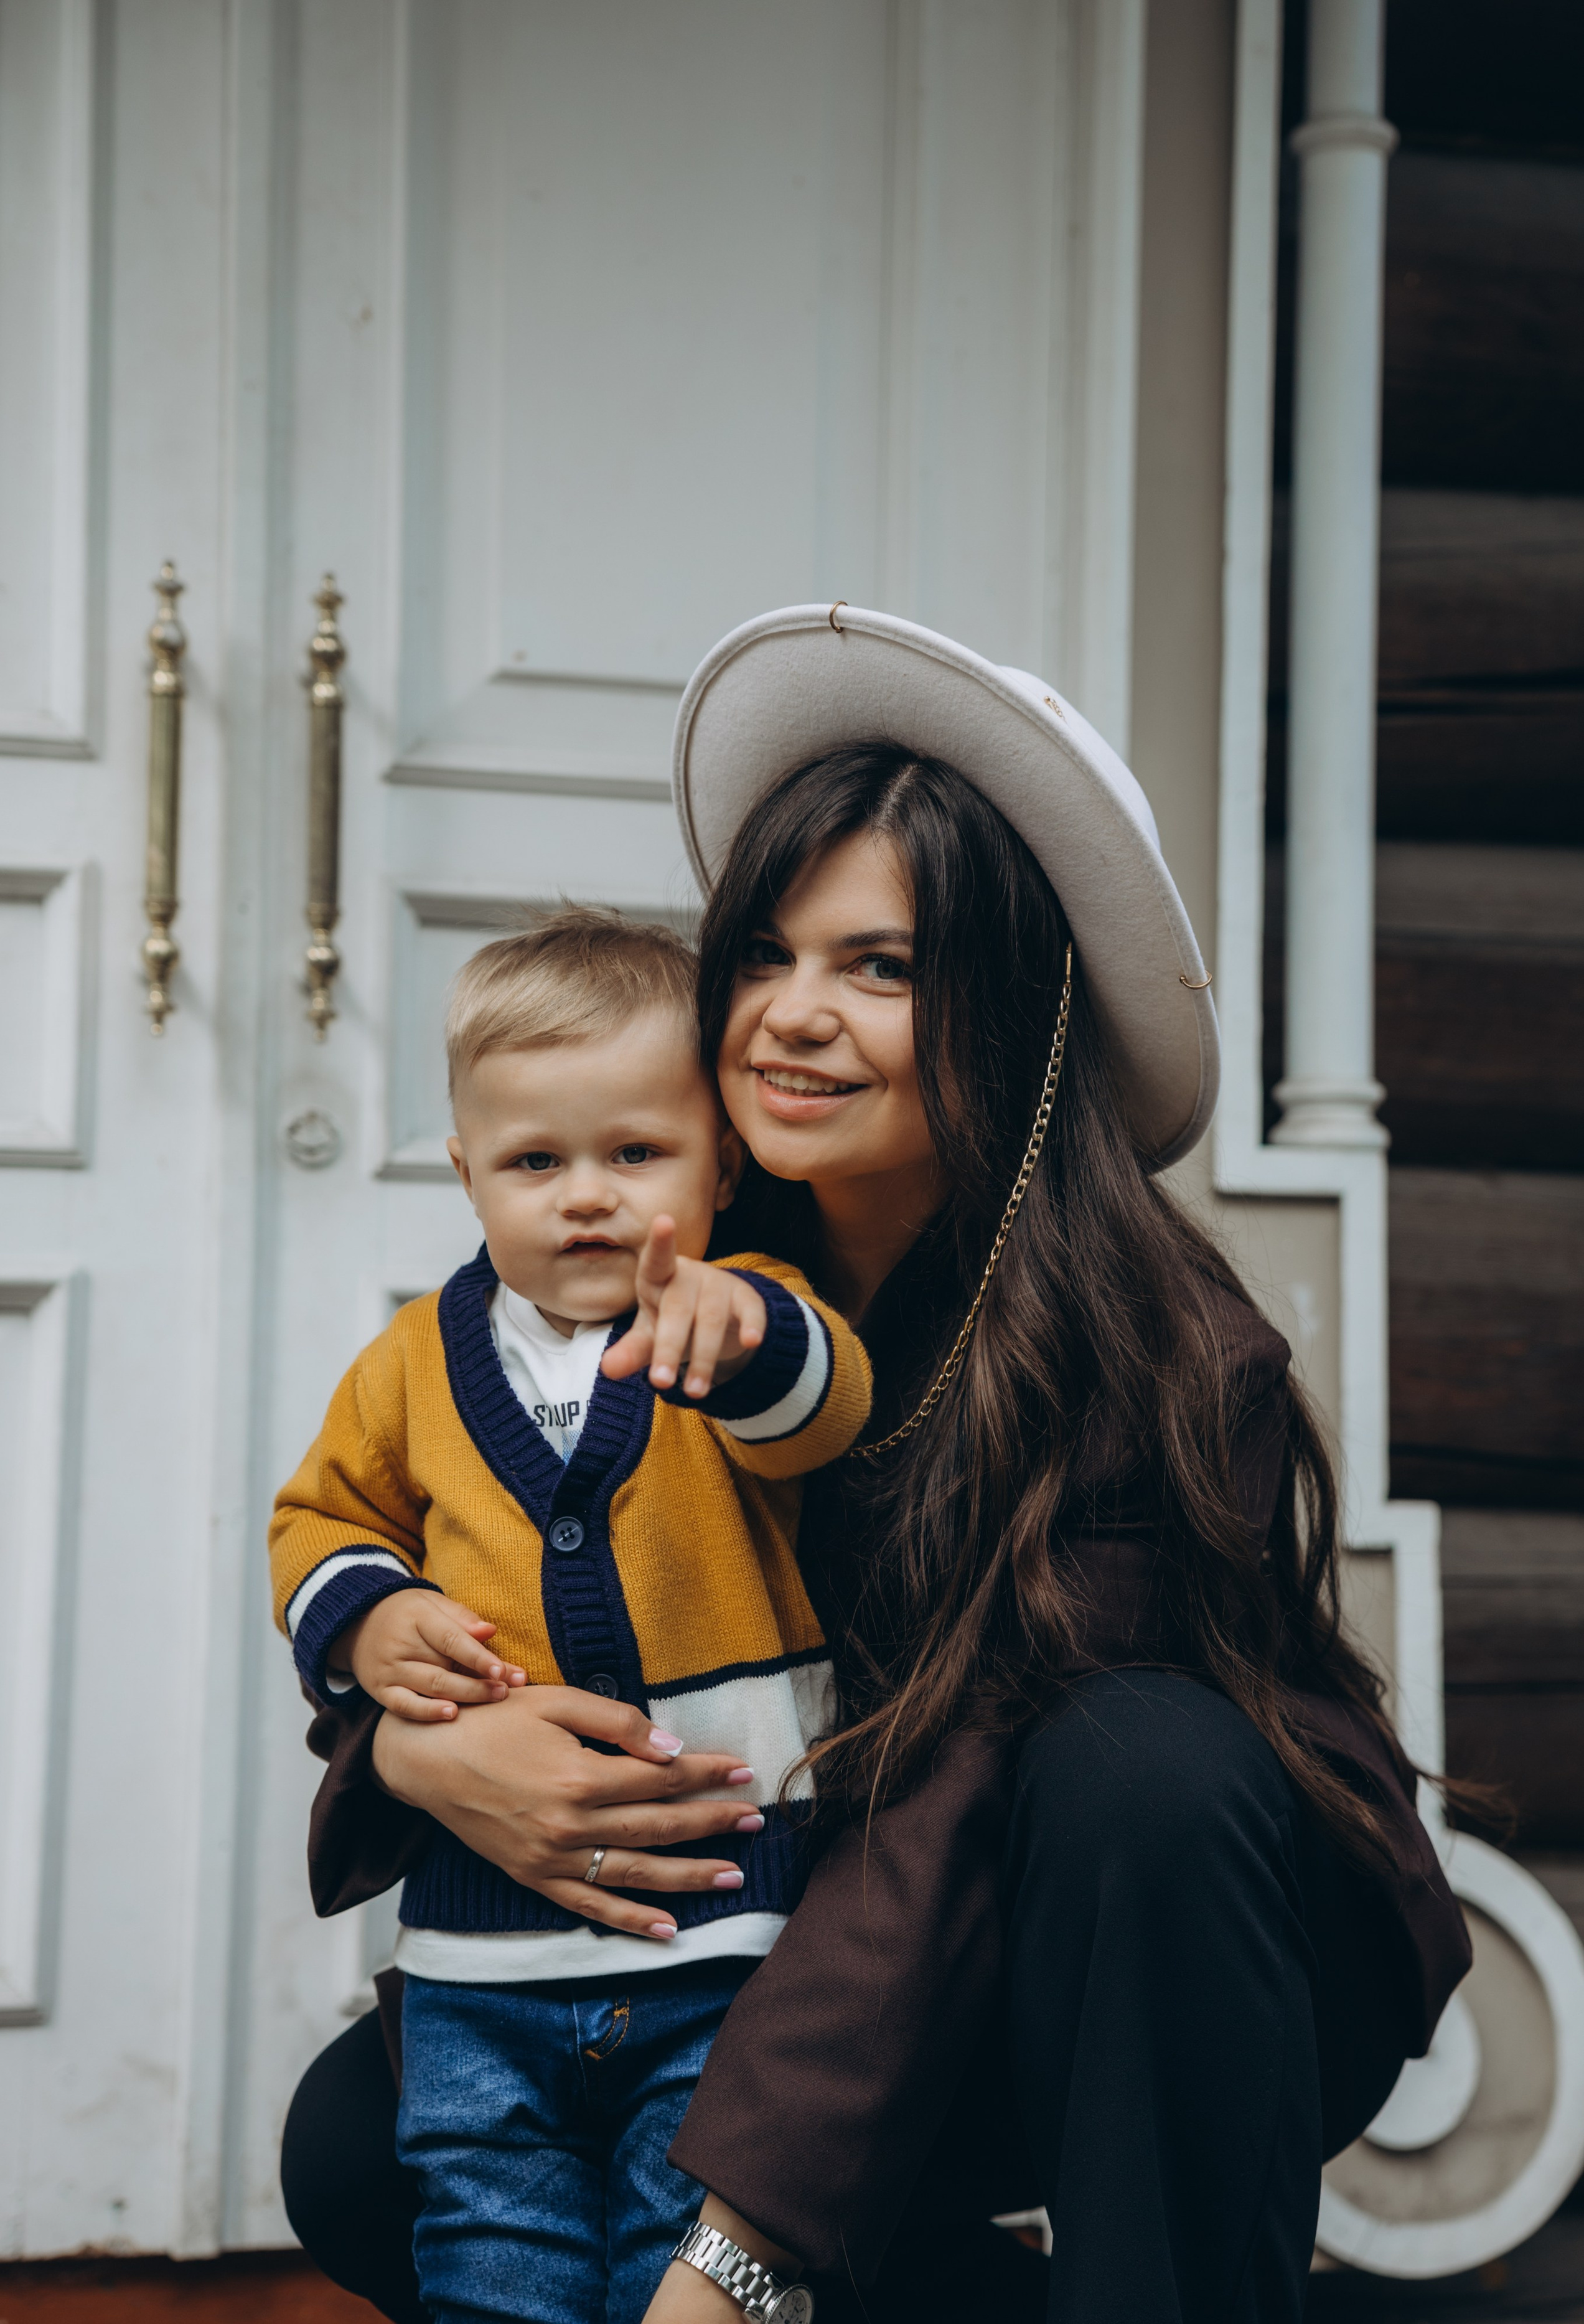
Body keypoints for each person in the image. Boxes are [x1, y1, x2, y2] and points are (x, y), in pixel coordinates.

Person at [281, 609, 1472, 2324]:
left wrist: (734, 2258)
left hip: (1108, 1967)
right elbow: (440, 1520)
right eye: (762, 955)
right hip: (773, 1936)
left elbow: (962, 1810)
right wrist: (417, 1749)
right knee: (359, 2139)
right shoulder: (677, 1244)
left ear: (1006, 1009)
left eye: (881, 968)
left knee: (1141, 1760)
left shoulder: (1161, 1347)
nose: (790, 1018)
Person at [269, 908, 870, 2324]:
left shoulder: (743, 1311)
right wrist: (365, 1623)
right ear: (466, 1171)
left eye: (637, 1156)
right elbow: (318, 1522)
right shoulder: (412, 1362)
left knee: (690, 2243)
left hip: (727, 1932)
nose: (589, 1196)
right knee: (489, 2238)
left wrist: (737, 1335)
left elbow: (820, 1404)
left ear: (721, 1163)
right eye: (537, 1162)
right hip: (485, 1946)